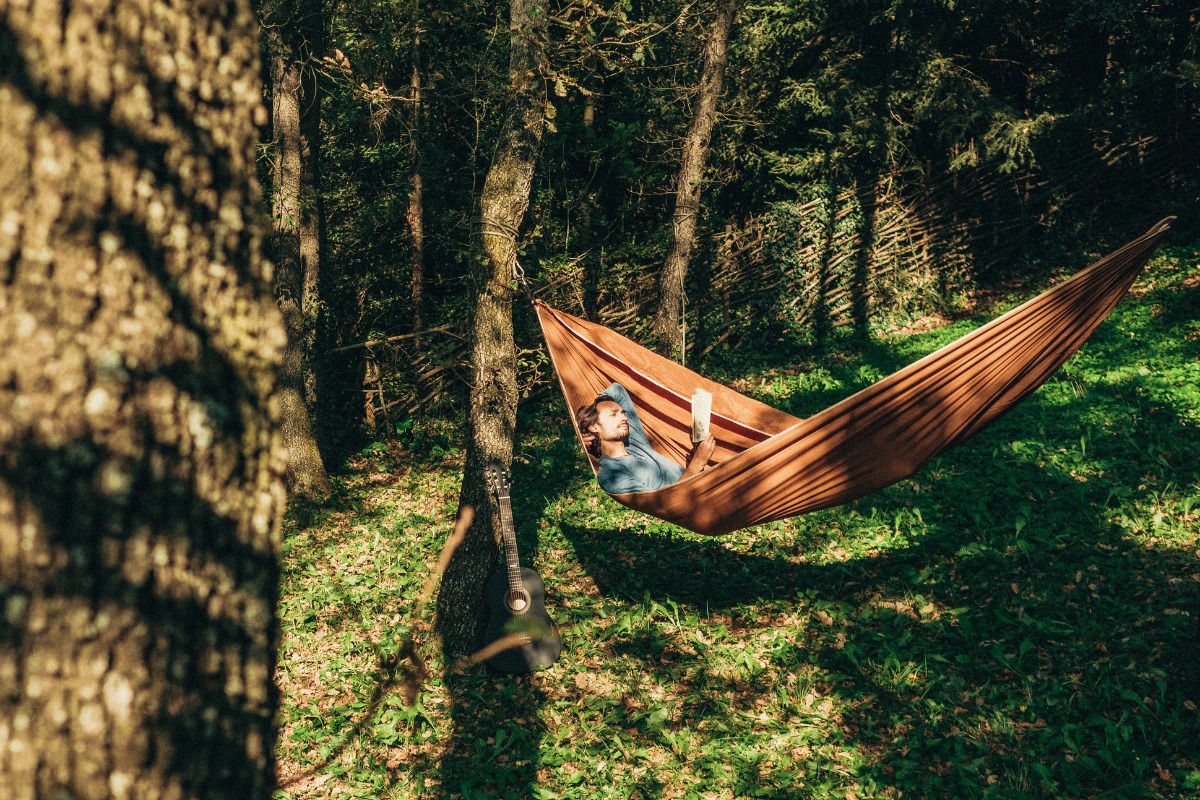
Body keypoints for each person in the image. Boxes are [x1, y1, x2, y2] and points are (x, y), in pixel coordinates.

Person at [576, 382, 716, 494]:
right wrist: (698, 462)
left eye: (622, 413)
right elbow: (665, 504)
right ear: (594, 427)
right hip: (701, 496)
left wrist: (582, 423)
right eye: (613, 414)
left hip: (708, 481)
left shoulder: (633, 442)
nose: (624, 417)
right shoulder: (610, 473)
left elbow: (617, 390)